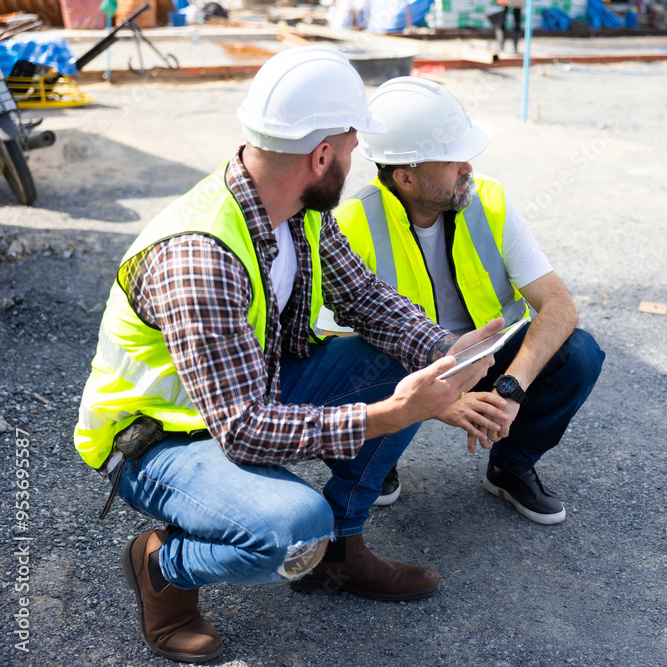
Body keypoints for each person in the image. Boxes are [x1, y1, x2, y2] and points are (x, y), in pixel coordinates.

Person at [73, 47, 505, 663]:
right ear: (322, 154)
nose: (357, 162)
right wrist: (391, 414)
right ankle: (162, 567)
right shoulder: (201, 257)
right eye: (352, 148)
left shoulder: (296, 203)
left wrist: (446, 352)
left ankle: (339, 555)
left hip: (246, 391)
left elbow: (364, 296)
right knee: (293, 526)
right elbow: (243, 429)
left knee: (404, 363)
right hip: (159, 436)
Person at [334, 77, 605, 526]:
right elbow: (330, 353)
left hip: (485, 359)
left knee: (579, 353)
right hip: (403, 369)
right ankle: (371, 461)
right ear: (405, 176)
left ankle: (509, 466)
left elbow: (559, 306)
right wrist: (437, 403)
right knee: (353, 369)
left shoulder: (490, 200)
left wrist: (511, 388)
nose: (468, 167)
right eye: (452, 159)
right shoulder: (351, 224)